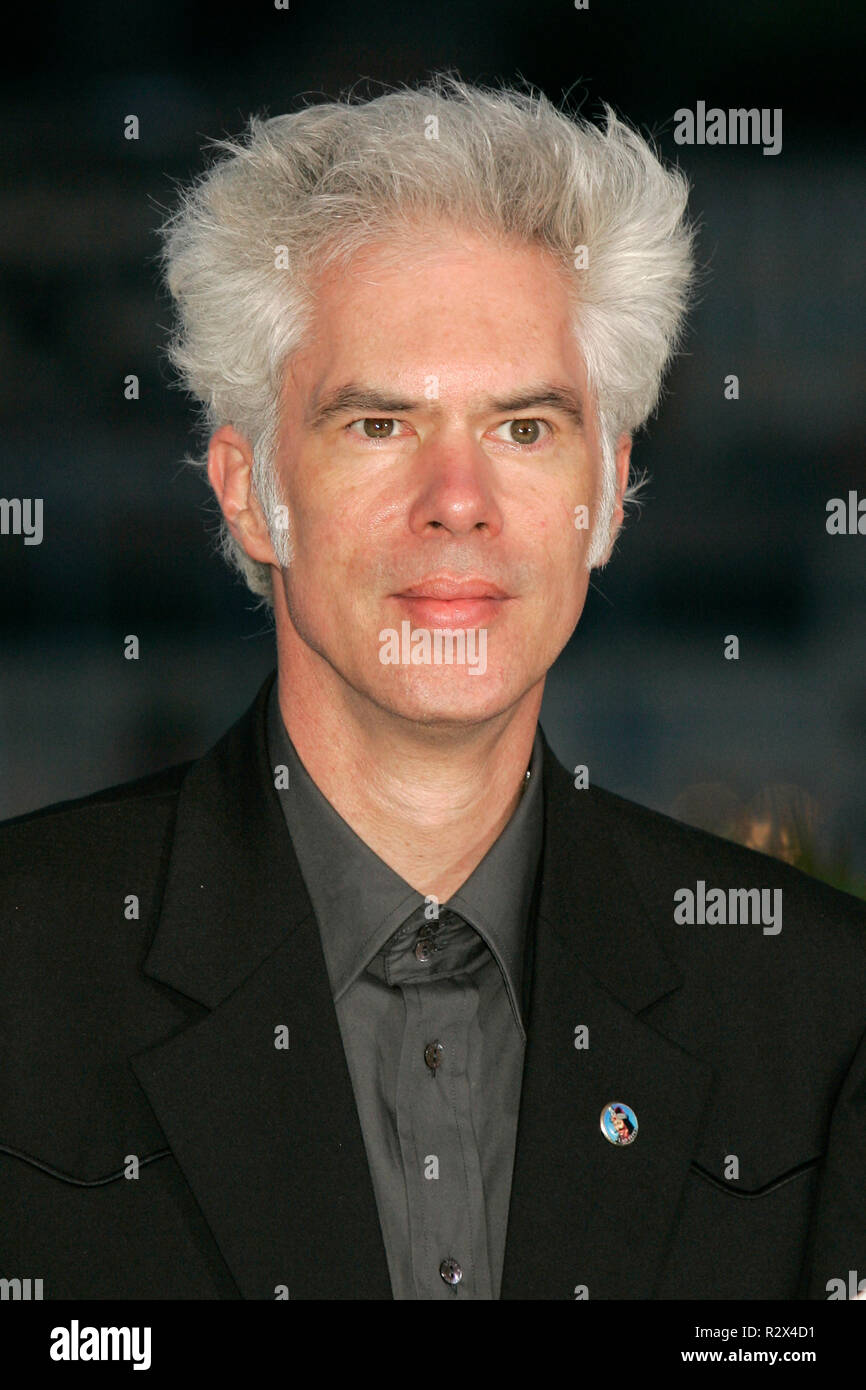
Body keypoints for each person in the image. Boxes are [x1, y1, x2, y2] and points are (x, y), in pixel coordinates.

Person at [1, 76, 864, 1301]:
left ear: (608, 493)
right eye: (377, 426)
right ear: (250, 493)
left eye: (523, 428)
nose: (456, 498)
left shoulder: (825, 1015)